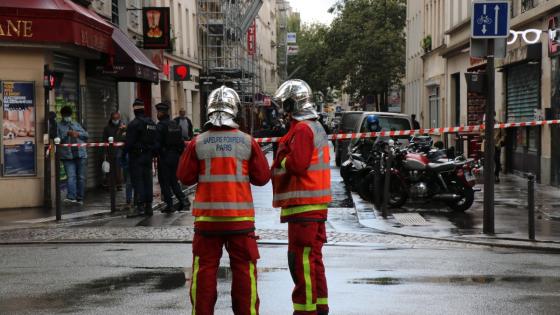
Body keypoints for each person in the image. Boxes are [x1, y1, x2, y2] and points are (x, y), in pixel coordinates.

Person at [177, 86, 271, 315]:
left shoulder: (198, 142)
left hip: (207, 222)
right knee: (244, 272)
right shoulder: (247, 142)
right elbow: (262, 178)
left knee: (204, 272)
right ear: (235, 110)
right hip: (240, 221)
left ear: (209, 110)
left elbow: (184, 177)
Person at [271, 79, 332, 315]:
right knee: (313, 260)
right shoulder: (314, 126)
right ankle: (320, 307)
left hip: (303, 207)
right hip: (313, 206)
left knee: (300, 262)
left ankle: (305, 311)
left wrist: (280, 158)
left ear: (291, 104)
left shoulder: (302, 129)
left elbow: (296, 165)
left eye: (284, 105)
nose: (282, 110)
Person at [125, 99, 158, 217]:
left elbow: (129, 143)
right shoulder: (151, 123)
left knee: (137, 181)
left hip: (136, 156)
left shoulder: (134, 124)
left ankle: (140, 207)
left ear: (134, 110)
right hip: (148, 156)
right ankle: (148, 206)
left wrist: (125, 153)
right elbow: (155, 140)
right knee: (147, 181)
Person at [156, 101, 188, 213]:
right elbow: (181, 142)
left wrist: (157, 153)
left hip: (165, 157)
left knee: (165, 181)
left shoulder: (160, 126)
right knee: (174, 180)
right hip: (175, 156)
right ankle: (183, 200)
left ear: (162, 112)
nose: (157, 114)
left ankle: (169, 204)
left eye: (158, 112)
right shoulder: (175, 124)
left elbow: (158, 143)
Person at [57, 106, 89, 205]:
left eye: (69, 115)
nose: (68, 117)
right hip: (67, 156)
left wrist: (77, 134)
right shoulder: (59, 126)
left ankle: (80, 198)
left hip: (80, 154)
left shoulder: (76, 124)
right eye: (66, 116)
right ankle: (71, 197)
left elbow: (86, 136)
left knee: (81, 177)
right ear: (62, 116)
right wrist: (67, 134)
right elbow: (57, 140)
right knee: (71, 176)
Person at [481, 112, 506, 183]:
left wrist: (499, 142)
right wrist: (485, 135)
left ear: (494, 115)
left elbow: (503, 135)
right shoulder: (484, 124)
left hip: (496, 145)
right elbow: (481, 133)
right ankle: (488, 175)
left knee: (497, 160)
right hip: (487, 145)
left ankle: (496, 175)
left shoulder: (499, 123)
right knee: (487, 161)